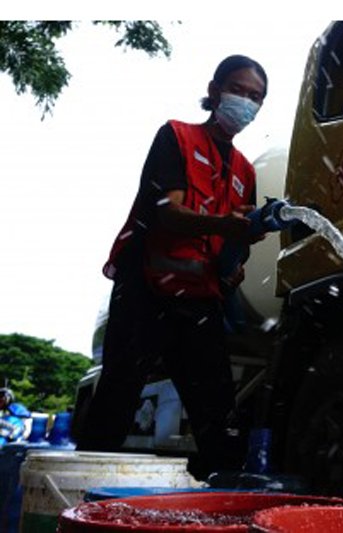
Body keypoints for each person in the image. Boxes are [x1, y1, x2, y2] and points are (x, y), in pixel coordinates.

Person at [77, 55, 274, 479]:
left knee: (218, 416)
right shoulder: (176, 136)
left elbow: (235, 240)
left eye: (255, 97)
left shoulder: (243, 169)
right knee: (116, 398)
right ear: (215, 88)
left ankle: (225, 499)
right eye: (238, 90)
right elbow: (168, 212)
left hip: (199, 299)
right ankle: (80, 501)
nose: (246, 102)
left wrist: (234, 265)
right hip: (145, 288)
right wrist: (227, 225)